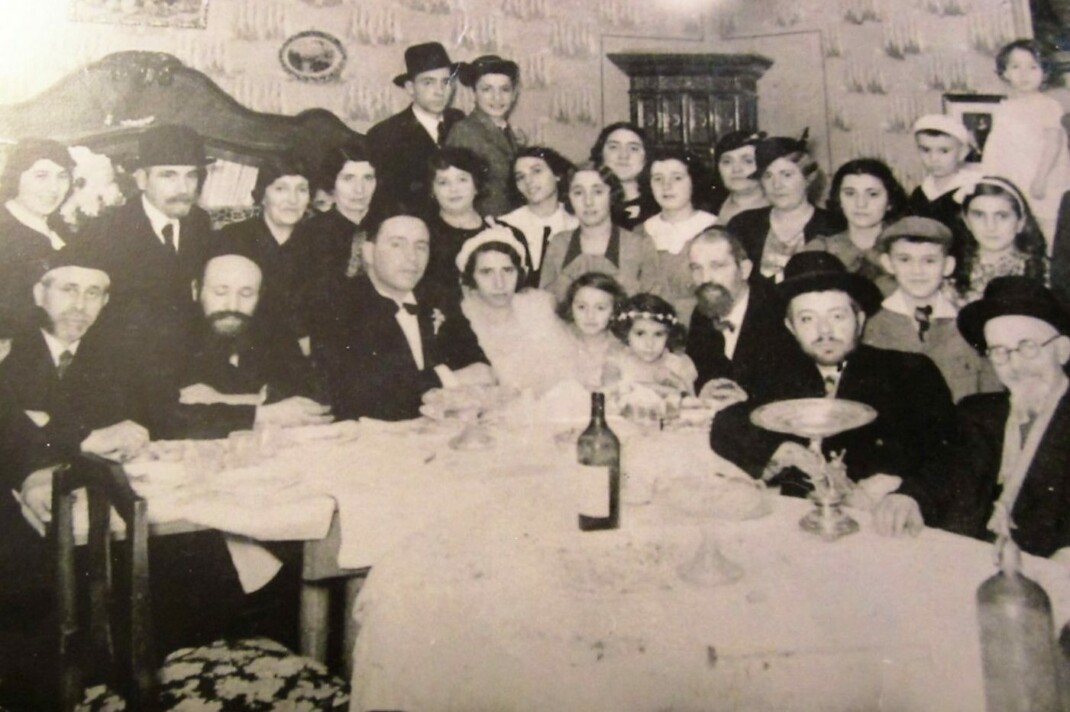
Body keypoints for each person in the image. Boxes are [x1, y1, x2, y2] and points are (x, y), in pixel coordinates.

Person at [709, 251, 956, 537]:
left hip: (887, 524)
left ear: (860, 319)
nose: (824, 331)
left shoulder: (909, 371)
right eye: (807, 319)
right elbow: (727, 423)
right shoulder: (775, 374)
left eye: (837, 316)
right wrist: (781, 451)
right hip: (802, 525)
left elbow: (951, 449)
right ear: (791, 327)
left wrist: (908, 490)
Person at [940, 277, 1070, 561]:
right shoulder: (977, 413)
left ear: (1062, 350)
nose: (1015, 364)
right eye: (999, 352)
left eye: (1027, 347)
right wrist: (908, 498)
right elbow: (940, 475)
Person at [312, 212, 485, 421]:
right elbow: (364, 399)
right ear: (368, 252)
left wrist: (418, 387)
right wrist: (444, 378)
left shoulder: (438, 299)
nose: (412, 257)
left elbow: (482, 371)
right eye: (397, 245)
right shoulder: (338, 307)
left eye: (421, 246)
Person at [0, 247, 153, 463]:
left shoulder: (120, 356)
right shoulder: (7, 348)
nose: (80, 306)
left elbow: (158, 416)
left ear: (105, 301)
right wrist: (82, 439)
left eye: (92, 293)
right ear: (39, 294)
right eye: (69, 290)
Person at [163, 250, 333, 440]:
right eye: (221, 292)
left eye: (246, 293)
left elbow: (313, 399)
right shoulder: (170, 338)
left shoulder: (273, 333)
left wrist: (221, 400)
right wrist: (264, 412)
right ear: (196, 290)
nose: (233, 306)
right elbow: (170, 417)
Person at [83, 124, 213, 351]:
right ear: (142, 179)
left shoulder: (199, 222)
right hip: (128, 364)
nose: (183, 188)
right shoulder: (104, 233)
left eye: (191, 175)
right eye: (168, 175)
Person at [863, 216, 1001, 403]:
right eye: (905, 260)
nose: (917, 271)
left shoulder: (970, 327)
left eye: (929, 261)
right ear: (888, 263)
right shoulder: (870, 328)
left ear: (948, 265)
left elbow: (991, 399)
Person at [436, 226, 573, 395]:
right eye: (486, 272)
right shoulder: (461, 326)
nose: (499, 283)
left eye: (507, 270)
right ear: (471, 278)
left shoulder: (540, 309)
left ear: (520, 272)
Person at [684, 226, 804, 401]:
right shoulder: (702, 313)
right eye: (696, 268)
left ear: (745, 269)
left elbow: (796, 389)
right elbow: (701, 374)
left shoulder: (779, 313)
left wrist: (749, 399)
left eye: (717, 266)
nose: (705, 278)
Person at [286, 142, 382, 346]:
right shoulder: (309, 234)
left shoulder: (389, 227)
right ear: (332, 183)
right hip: (329, 341)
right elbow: (297, 304)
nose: (359, 189)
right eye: (348, 179)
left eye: (368, 178)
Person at [982, 38, 1070, 245]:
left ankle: (1051, 271)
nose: (1024, 74)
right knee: (1017, 227)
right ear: (1004, 72)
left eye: (1033, 67)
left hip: (1041, 178)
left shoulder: (1047, 105)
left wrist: (1040, 178)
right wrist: (990, 176)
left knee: (1048, 226)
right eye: (1016, 67)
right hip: (1013, 176)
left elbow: (1053, 143)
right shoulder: (1004, 107)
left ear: (1045, 73)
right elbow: (996, 146)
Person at [217, 153, 314, 335]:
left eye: (301, 190)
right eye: (280, 189)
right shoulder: (233, 237)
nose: (292, 200)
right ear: (262, 195)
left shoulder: (318, 242)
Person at [726, 133, 843, 283]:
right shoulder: (743, 224)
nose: (777, 185)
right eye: (768, 176)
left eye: (786, 175)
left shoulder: (834, 225)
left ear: (808, 178)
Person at [539, 161, 659, 302]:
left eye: (598, 192)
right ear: (569, 197)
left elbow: (653, 307)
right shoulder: (558, 244)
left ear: (612, 195)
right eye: (578, 193)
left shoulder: (640, 245)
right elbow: (544, 305)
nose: (588, 202)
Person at [367, 42, 464, 214]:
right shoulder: (385, 135)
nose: (439, 91)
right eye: (428, 83)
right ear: (410, 88)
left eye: (446, 82)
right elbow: (385, 203)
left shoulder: (459, 120)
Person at [633, 148, 718, 325]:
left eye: (677, 178)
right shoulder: (640, 232)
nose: (666, 186)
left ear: (693, 181)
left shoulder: (714, 229)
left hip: (700, 332)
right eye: (658, 179)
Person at [801, 158, 909, 295]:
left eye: (873, 194)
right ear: (839, 200)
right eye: (850, 193)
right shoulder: (821, 250)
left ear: (890, 202)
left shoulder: (910, 249)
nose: (860, 204)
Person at [0, 138, 75, 328]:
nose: (54, 188)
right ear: (15, 177)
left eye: (62, 176)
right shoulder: (5, 235)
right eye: (41, 176)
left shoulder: (58, 226)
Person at [419, 147, 500, 311]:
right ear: (432, 190)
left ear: (477, 186)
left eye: (462, 179)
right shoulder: (422, 235)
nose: (453, 189)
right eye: (443, 182)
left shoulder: (501, 233)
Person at [951, 176, 1047, 307]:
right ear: (966, 221)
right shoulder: (950, 269)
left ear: (1021, 222)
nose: (990, 226)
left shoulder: (1044, 270)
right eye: (979, 215)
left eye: (1002, 216)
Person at [446, 54, 524, 217]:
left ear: (514, 94)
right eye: (487, 89)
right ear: (474, 94)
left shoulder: (509, 132)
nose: (497, 98)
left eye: (504, 89)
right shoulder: (464, 132)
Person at [497, 146, 578, 287]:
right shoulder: (504, 227)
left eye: (536, 171)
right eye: (520, 177)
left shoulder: (576, 224)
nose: (528, 181)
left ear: (557, 175)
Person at [606, 292, 697, 395]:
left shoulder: (678, 365)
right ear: (626, 333)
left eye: (658, 334)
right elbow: (608, 398)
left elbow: (691, 402)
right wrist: (662, 389)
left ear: (669, 335)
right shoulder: (617, 362)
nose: (649, 343)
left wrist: (679, 384)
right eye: (640, 333)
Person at [907, 114, 980, 234]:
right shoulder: (919, 194)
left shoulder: (970, 193)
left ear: (963, 152)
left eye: (944, 151)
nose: (934, 158)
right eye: (926, 150)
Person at [556, 271, 628, 391]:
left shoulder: (620, 350)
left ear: (614, 312)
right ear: (570, 308)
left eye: (600, 308)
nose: (590, 316)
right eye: (582, 307)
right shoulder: (557, 338)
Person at [589, 122, 657, 230]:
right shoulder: (587, 205)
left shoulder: (660, 206)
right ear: (601, 154)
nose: (623, 155)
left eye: (633, 148)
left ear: (646, 157)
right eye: (614, 147)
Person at [709, 130, 769, 225]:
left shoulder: (777, 211)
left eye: (747, 161)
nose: (736, 169)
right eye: (727, 162)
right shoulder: (709, 210)